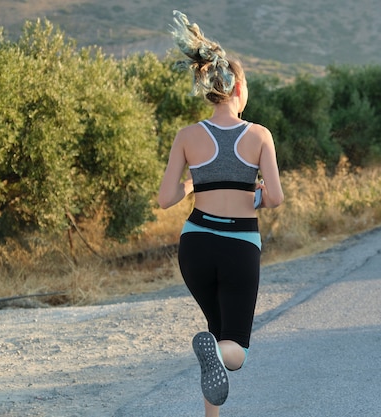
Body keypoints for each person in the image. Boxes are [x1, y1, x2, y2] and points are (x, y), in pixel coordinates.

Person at [158, 10, 284, 417]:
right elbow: (276, 198)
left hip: (194, 244)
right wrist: (258, 196)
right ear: (238, 87)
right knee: (234, 351)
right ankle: (217, 354)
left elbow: (164, 199)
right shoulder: (259, 135)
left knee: (215, 336)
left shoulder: (187, 136)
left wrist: (197, 182)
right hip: (239, 245)